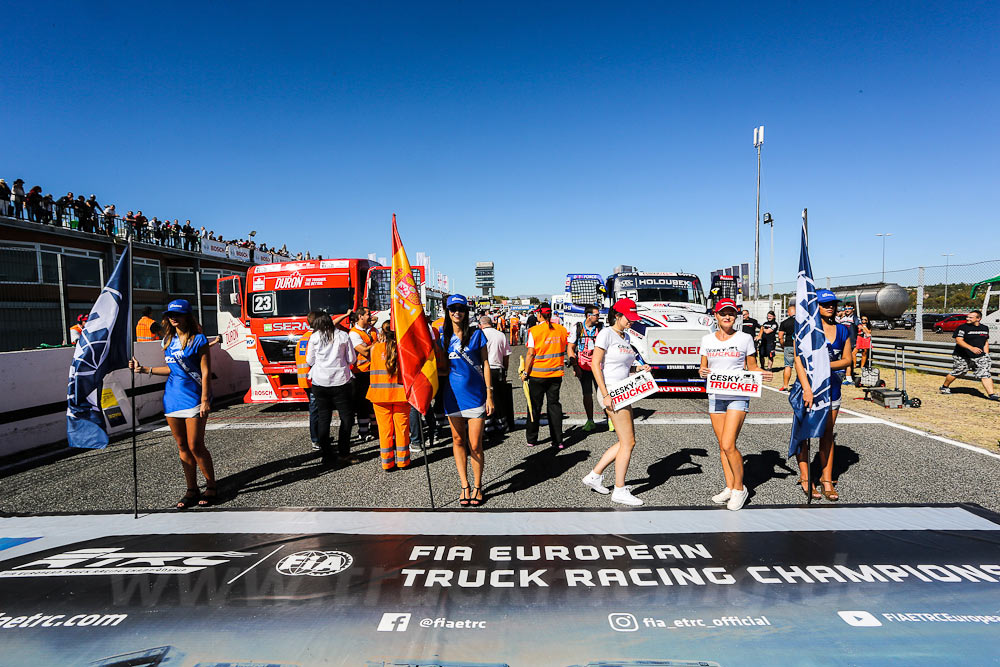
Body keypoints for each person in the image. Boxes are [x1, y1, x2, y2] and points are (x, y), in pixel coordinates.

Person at [129, 299, 216, 509]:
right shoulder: (166, 341)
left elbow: (205, 372)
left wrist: (205, 399)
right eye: (170, 315)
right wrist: (144, 370)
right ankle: (191, 489)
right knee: (182, 445)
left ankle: (212, 486)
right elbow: (172, 369)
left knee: (196, 445)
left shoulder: (199, 339)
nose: (173, 318)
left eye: (178, 314)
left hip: (194, 397)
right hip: (172, 397)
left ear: (187, 316)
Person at [699, 299, 772, 511]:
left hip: (739, 393)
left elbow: (752, 366)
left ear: (736, 316)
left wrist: (762, 373)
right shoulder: (707, 340)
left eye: (731, 313)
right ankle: (730, 486)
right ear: (716, 315)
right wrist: (701, 372)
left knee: (729, 444)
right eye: (723, 313)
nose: (727, 317)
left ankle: (740, 489)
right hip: (715, 394)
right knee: (722, 446)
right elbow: (703, 367)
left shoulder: (745, 338)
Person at [582, 298, 651, 506]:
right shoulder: (606, 333)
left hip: (623, 391)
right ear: (617, 316)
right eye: (628, 318)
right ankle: (619, 489)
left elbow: (621, 367)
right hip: (612, 392)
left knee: (624, 441)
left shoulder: (625, 336)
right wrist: (605, 394)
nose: (631, 321)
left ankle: (595, 475)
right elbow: (596, 364)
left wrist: (638, 369)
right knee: (629, 442)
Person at [793, 290, 853, 502]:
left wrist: (823, 366)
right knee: (805, 434)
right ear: (815, 306)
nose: (830, 307)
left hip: (833, 389)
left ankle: (826, 479)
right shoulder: (805, 330)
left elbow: (847, 360)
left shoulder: (844, 330)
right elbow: (798, 360)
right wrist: (807, 388)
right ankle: (805, 477)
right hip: (809, 390)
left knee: (827, 433)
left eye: (833, 304)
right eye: (825, 304)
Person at [440, 295, 493, 507]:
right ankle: (465, 485)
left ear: (466, 311)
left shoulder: (476, 334)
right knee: (458, 441)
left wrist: (490, 394)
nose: (457, 312)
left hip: (477, 396)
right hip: (452, 397)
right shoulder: (443, 337)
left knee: (475, 444)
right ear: (448, 311)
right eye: (452, 308)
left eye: (460, 308)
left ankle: (478, 485)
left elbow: (486, 364)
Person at [307, 309, 358, 465]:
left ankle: (327, 455)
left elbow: (310, 360)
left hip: (319, 381)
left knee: (324, 418)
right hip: (340, 381)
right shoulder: (343, 336)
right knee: (347, 418)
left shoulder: (314, 337)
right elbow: (351, 359)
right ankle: (343, 452)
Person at [521, 302, 568, 449]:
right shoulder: (561, 330)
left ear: (539, 314)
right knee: (554, 406)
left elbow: (530, 354)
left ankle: (532, 438)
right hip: (555, 374)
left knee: (534, 406)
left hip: (537, 375)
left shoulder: (534, 331)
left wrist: (525, 372)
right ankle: (558, 440)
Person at [368, 321, 412, 470]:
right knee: (402, 429)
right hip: (401, 395)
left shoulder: (374, 349)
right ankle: (403, 461)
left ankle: (387, 463)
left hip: (380, 396)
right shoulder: (404, 349)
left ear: (382, 333)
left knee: (385, 430)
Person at [940, 310, 998, 400]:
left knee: (985, 373)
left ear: (978, 318)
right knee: (958, 371)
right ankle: (944, 387)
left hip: (980, 356)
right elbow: (959, 340)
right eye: (967, 317)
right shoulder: (962, 327)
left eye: (971, 317)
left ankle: (992, 395)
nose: (967, 318)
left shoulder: (985, 328)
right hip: (962, 355)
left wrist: (986, 354)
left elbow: (985, 342)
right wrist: (971, 348)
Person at [567, 305, 603, 431]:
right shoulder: (577, 328)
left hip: (599, 367)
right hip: (583, 367)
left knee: (604, 393)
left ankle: (611, 419)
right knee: (587, 394)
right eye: (597, 315)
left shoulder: (601, 327)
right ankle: (590, 420)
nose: (599, 317)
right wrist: (575, 366)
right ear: (589, 316)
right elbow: (570, 348)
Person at [479, 315, 512, 433]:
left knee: (484, 398)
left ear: (480, 324)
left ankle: (487, 426)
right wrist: (505, 371)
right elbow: (506, 355)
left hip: (483, 369)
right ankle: (502, 424)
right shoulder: (500, 335)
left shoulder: (479, 335)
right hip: (497, 368)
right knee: (498, 398)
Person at [348, 307, 377, 441]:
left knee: (374, 401)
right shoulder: (354, 334)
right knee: (363, 403)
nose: (370, 316)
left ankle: (375, 428)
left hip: (374, 370)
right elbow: (364, 351)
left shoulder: (371, 330)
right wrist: (378, 343)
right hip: (360, 372)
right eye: (368, 314)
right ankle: (363, 431)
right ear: (360, 316)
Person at [777, 304, 796, 391]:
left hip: (788, 345)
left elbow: (780, 336)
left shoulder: (784, 322)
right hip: (800, 346)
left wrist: (782, 345)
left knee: (788, 366)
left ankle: (785, 385)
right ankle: (799, 385)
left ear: (788, 313)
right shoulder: (802, 321)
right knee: (801, 366)